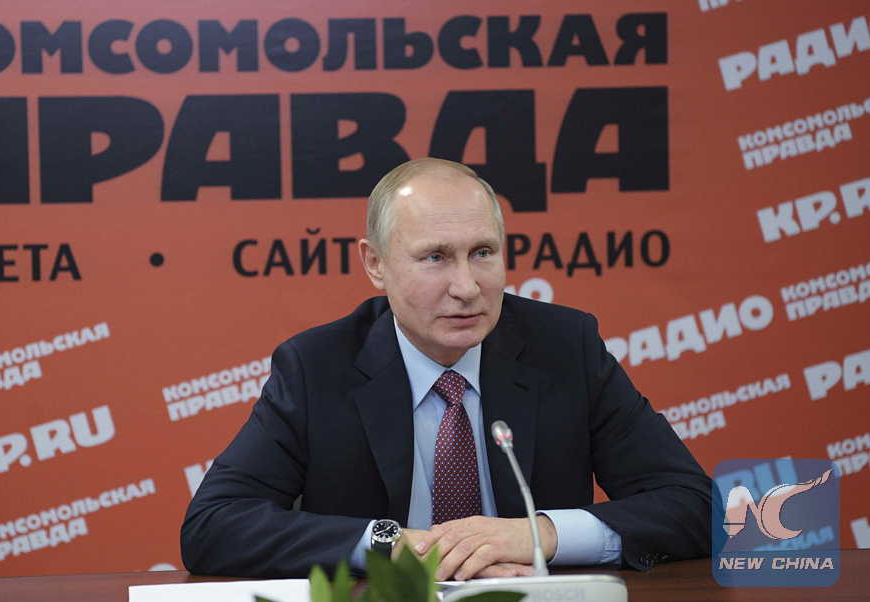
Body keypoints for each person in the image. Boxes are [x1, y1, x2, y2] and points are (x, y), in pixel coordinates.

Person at [180, 158, 712, 580]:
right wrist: (392, 545)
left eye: (483, 252)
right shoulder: (316, 367)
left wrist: (538, 535)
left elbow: (697, 505)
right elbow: (212, 525)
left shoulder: (565, 348)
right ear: (375, 264)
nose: (466, 287)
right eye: (435, 257)